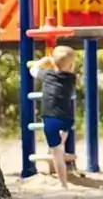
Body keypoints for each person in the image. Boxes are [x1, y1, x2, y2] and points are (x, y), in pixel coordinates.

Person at [27, 46, 78, 188]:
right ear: (71, 65)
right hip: (66, 118)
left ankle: (63, 183)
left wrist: (42, 61)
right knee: (60, 146)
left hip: (50, 118)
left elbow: (33, 70)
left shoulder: (47, 75)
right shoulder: (71, 79)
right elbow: (68, 68)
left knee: (57, 152)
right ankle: (59, 149)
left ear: (52, 62)